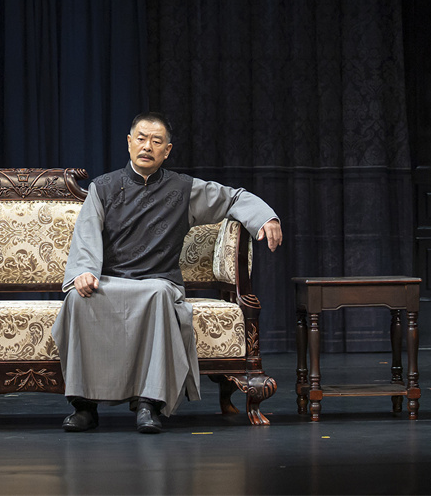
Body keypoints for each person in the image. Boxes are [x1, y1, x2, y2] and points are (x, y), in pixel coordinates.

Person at [51, 112, 282, 434]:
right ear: (129, 143)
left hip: (159, 282)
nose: (147, 146)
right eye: (141, 139)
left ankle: (149, 404)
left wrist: (267, 218)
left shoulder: (184, 189)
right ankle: (84, 406)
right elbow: (86, 233)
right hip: (111, 281)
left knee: (158, 295)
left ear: (167, 150)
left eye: (156, 141)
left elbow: (234, 198)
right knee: (78, 299)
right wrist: (85, 271)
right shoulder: (102, 187)